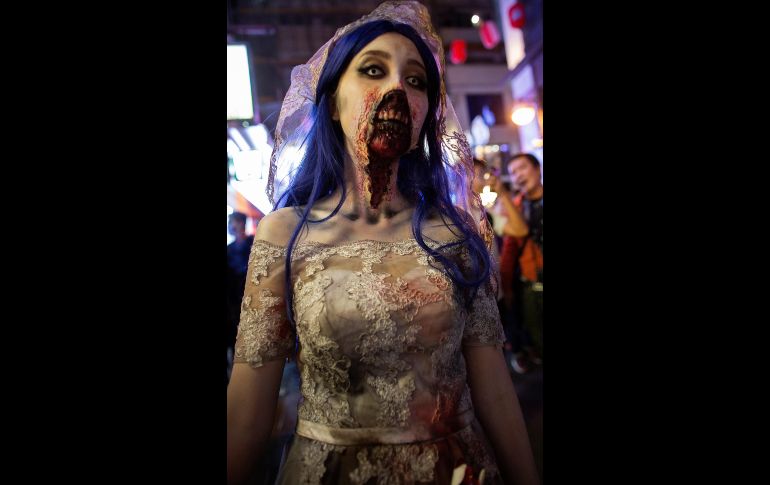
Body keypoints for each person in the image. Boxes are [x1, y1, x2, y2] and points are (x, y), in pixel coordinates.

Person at [227, 3, 539, 484]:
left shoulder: (454, 231)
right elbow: (248, 409)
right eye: (374, 70)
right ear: (331, 102)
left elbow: (494, 388)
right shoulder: (285, 234)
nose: (398, 87)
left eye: (416, 81)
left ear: (425, 116)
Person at [494, 154, 543, 371]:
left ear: (537, 169)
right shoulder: (514, 207)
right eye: (513, 172)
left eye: (522, 168)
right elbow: (509, 246)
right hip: (533, 282)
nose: (517, 175)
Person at [226, 212, 254, 380]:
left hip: (250, 298)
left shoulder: (253, 243)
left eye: (233, 222)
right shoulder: (229, 249)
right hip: (232, 303)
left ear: (241, 223)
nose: (231, 226)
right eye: (230, 223)